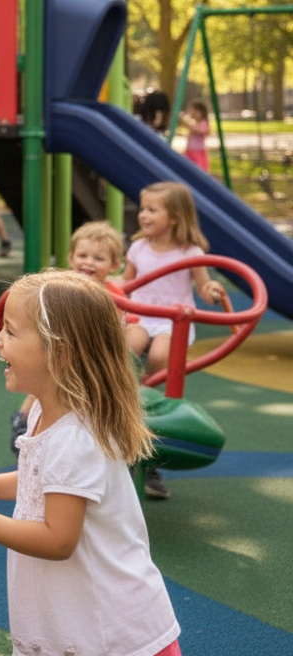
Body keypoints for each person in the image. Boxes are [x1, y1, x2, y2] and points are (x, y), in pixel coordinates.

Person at [0, 270, 182, 656]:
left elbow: (58, 539)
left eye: (11, 332)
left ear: (60, 352)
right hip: (76, 621)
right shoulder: (43, 413)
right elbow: (42, 479)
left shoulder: (75, 438)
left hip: (112, 635)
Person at [122, 180, 224, 499]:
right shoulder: (138, 247)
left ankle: (151, 405)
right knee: (126, 347)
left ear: (175, 217)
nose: (144, 215)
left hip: (172, 321)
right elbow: (126, 282)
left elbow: (203, 286)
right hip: (141, 314)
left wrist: (212, 292)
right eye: (143, 208)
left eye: (152, 210)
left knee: (159, 357)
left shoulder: (190, 252)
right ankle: (129, 389)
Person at [10, 221, 125, 454]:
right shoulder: (62, 288)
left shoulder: (114, 295)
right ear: (71, 258)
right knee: (46, 377)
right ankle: (22, 419)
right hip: (63, 351)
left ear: (114, 265)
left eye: (98, 259)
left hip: (92, 356)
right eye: (82, 255)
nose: (88, 262)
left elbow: (117, 329)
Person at [178, 100, 210, 172]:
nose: (192, 113)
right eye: (191, 111)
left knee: (199, 169)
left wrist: (187, 122)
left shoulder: (203, 123)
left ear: (201, 113)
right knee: (186, 169)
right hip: (189, 151)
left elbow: (199, 131)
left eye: (195, 111)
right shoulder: (193, 123)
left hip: (198, 152)